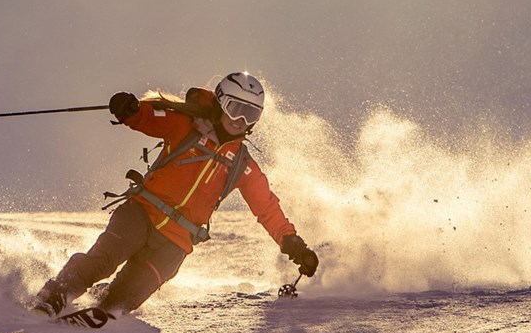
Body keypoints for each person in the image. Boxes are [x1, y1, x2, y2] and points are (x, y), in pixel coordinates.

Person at [31, 72, 319, 318]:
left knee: (128, 295)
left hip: (176, 241)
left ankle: (106, 303)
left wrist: (292, 243)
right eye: (234, 108)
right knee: (104, 259)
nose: (240, 120)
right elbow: (151, 119)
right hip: (142, 213)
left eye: (250, 114)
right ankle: (56, 293)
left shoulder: (242, 164)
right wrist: (131, 110)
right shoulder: (186, 126)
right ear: (220, 104)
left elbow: (266, 207)